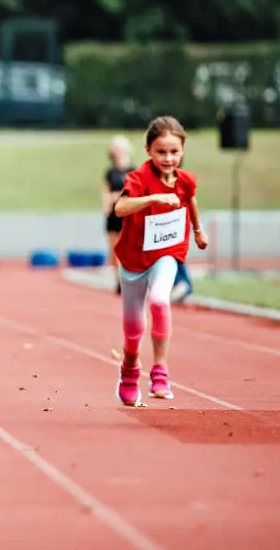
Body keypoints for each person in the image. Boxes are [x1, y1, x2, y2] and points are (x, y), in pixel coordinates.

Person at [112, 116, 208, 406]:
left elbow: (190, 199)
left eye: (174, 152)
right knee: (133, 330)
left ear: (182, 150)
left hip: (167, 252)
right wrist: (152, 199)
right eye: (161, 152)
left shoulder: (186, 180)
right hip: (133, 258)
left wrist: (198, 230)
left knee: (159, 300)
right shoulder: (139, 178)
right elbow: (120, 208)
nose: (168, 158)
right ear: (148, 151)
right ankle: (130, 369)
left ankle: (161, 371)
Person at [103, 135, 136, 295]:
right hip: (113, 216)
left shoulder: (133, 171)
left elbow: (133, 194)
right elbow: (106, 194)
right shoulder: (110, 172)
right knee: (114, 251)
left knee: (128, 250)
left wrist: (117, 196)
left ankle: (130, 279)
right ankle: (119, 280)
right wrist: (108, 203)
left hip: (128, 215)